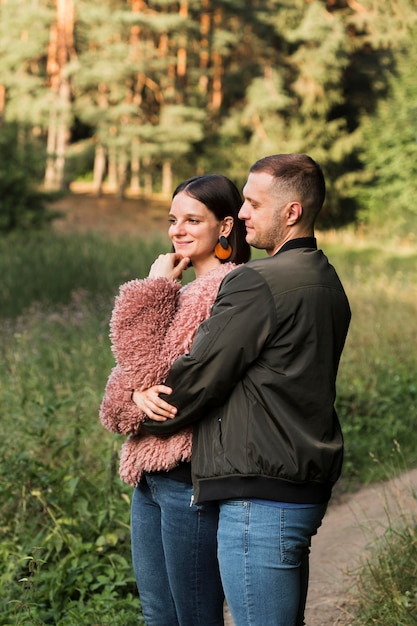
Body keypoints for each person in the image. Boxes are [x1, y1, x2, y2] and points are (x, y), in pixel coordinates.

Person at [138, 154, 351, 626]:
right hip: (296, 481)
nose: (244, 214)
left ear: (292, 212)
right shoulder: (325, 278)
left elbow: (194, 382)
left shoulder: (258, 282)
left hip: (261, 494)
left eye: (253, 204)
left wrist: (132, 404)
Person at [99, 174, 250, 626]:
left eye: (192, 219)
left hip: (188, 475)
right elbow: (120, 392)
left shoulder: (226, 288)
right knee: (158, 614)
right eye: (172, 219)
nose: (177, 230)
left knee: (193, 617)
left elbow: (165, 378)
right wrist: (134, 391)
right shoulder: (183, 292)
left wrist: (150, 289)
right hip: (148, 474)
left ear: (225, 226)